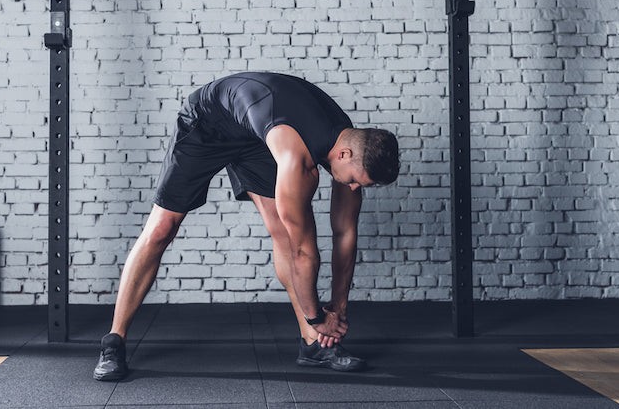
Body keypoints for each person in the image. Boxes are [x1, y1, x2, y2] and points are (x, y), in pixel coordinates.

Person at [93, 72, 400, 380]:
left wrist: (340, 306)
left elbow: (345, 232)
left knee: (281, 228)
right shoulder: (296, 159)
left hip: (256, 138)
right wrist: (318, 316)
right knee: (162, 228)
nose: (354, 188)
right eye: (355, 181)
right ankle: (114, 342)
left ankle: (313, 346)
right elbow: (303, 252)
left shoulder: (351, 142)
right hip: (207, 124)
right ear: (344, 155)